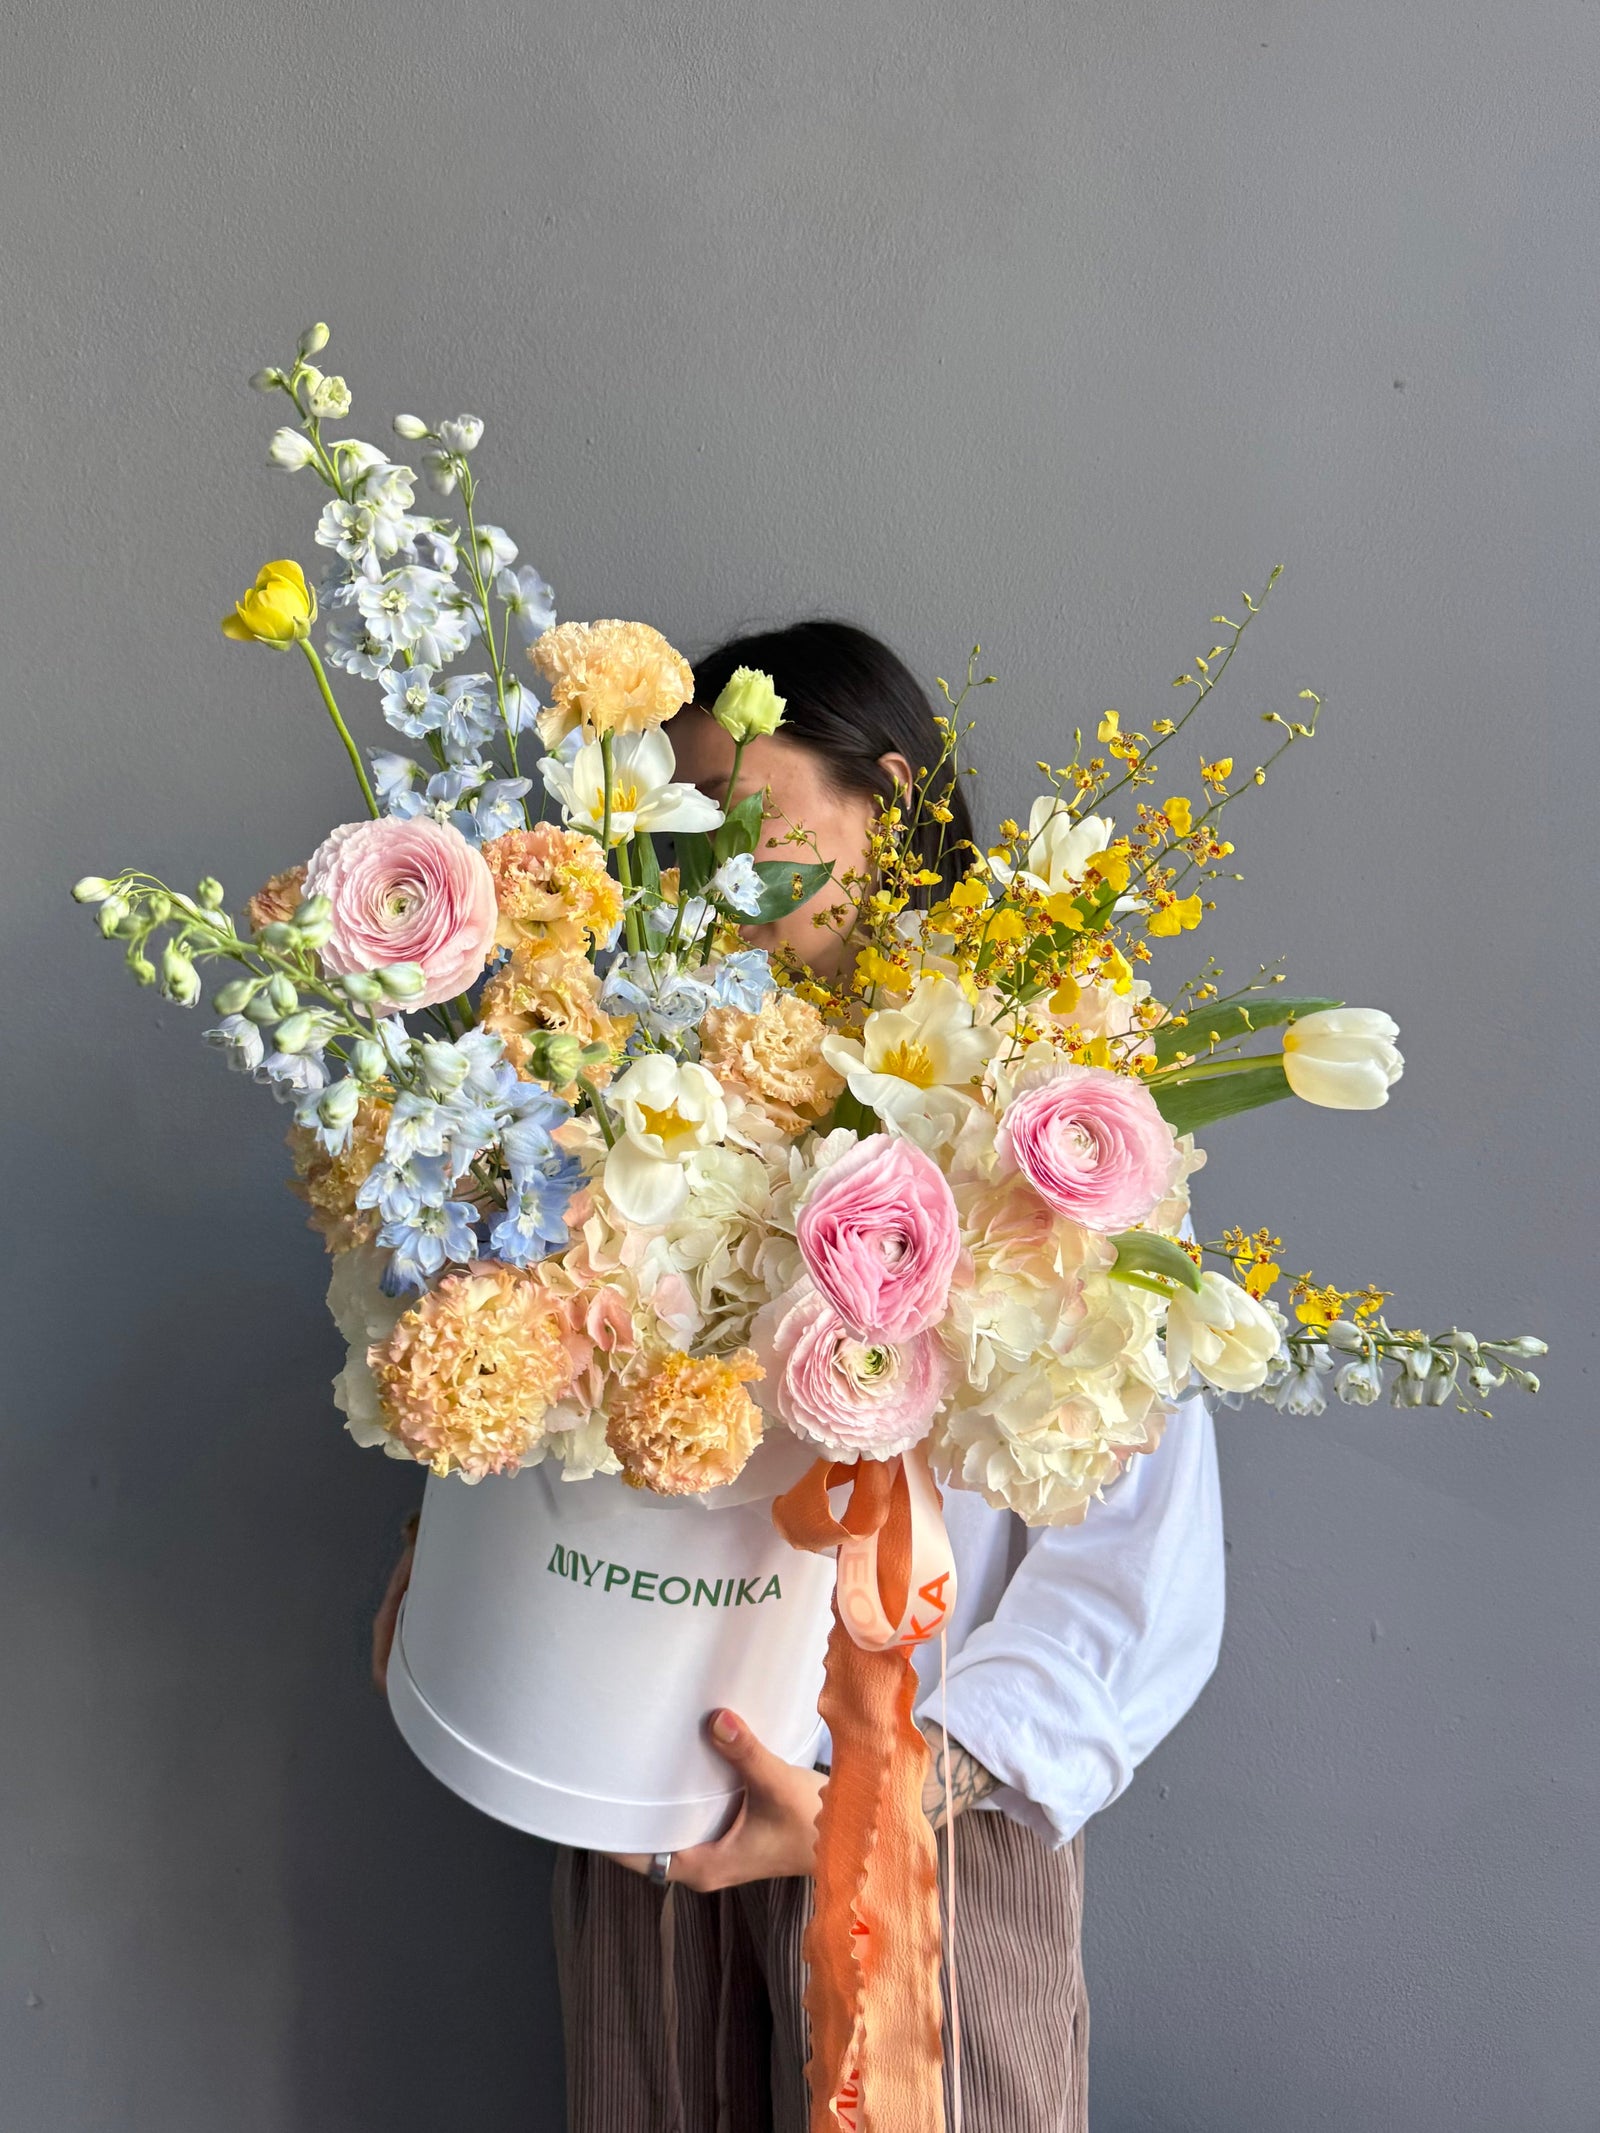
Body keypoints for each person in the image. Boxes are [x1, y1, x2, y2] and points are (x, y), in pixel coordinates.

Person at [371, 620, 1226, 2132]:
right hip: (638, 1801)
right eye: (682, 838)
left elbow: (1138, 1578)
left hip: (932, 1835)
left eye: (753, 828)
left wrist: (879, 1805)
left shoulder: (1051, 1123)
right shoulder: (603, 1099)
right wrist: (448, 1573)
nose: (717, 886)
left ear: (888, 800)